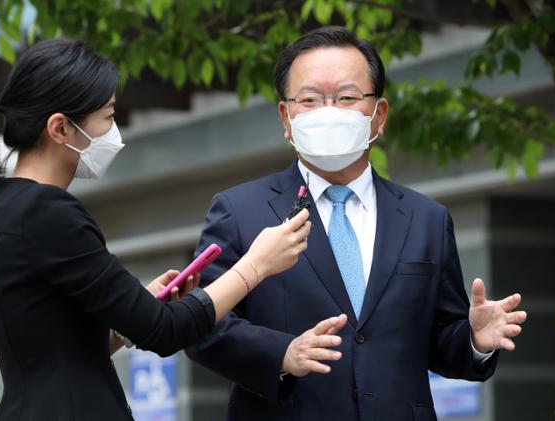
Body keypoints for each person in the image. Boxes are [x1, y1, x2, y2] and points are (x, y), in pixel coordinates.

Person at [186, 26, 527, 420]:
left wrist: (474, 340)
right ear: (286, 116)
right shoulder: (239, 210)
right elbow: (201, 325)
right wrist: (282, 353)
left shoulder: (426, 219)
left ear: (378, 115)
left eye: (347, 98)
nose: (328, 113)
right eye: (310, 99)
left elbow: (434, 342)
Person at [0, 39, 311, 421]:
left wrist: (134, 313)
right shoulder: (48, 211)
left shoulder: (1, 209)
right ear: (60, 128)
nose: (113, 130)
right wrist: (255, 267)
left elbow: (55, 349)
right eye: (108, 116)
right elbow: (164, 332)